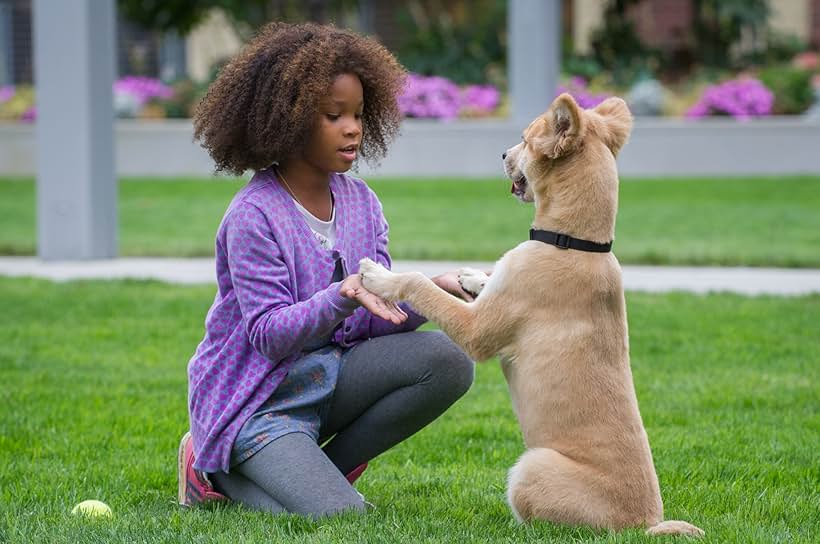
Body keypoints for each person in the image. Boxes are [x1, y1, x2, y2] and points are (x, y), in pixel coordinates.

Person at [178, 22, 475, 518]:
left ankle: (315, 473)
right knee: (342, 516)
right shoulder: (253, 216)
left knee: (450, 359)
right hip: (257, 403)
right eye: (333, 115)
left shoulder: (362, 203)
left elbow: (374, 319)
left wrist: (431, 293)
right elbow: (270, 336)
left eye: (358, 113)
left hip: (327, 379)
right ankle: (210, 468)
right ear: (288, 120)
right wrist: (341, 294)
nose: (353, 127)